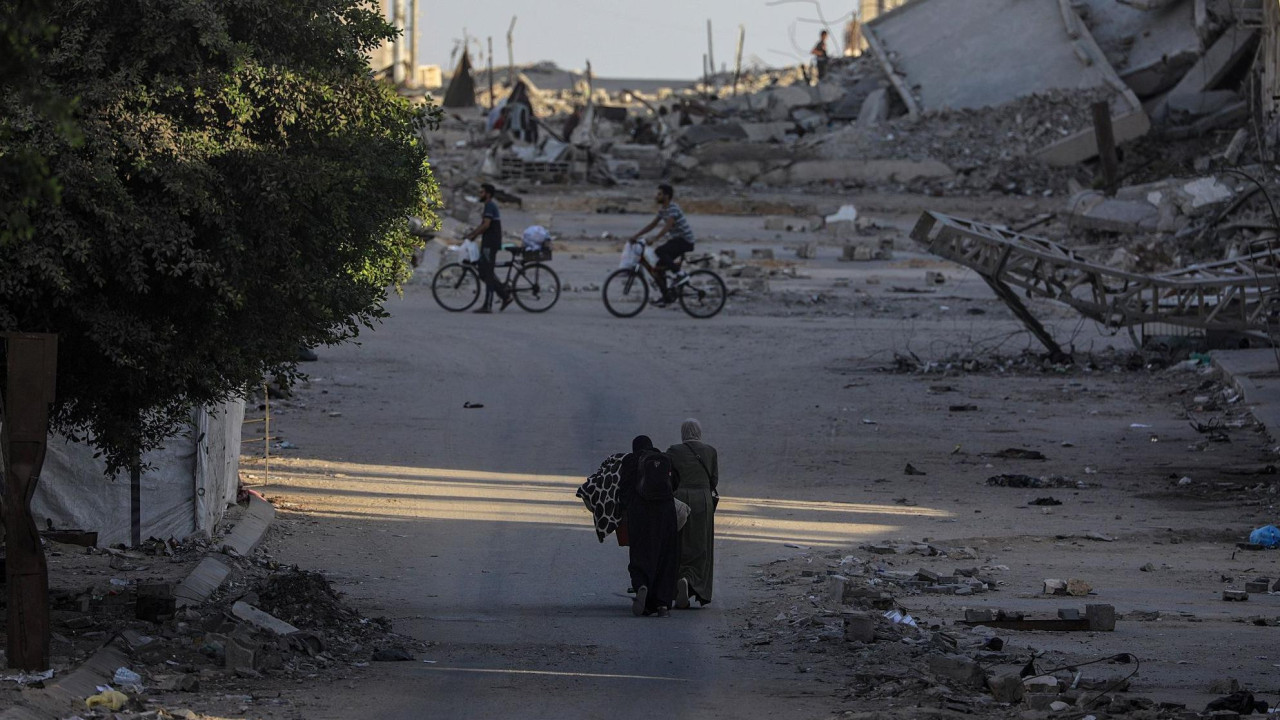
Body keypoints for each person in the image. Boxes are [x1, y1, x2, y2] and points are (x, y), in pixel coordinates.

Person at [618, 435, 680, 617]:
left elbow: (623, 489)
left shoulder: (630, 460)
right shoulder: (666, 459)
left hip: (641, 513)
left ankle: (642, 586)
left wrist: (628, 508)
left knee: (641, 553)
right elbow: (676, 483)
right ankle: (662, 604)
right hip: (666, 513)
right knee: (665, 555)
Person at [666, 419, 718, 609]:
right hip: (703, 501)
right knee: (701, 545)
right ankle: (692, 582)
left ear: (683, 432)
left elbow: (667, 477)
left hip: (680, 501)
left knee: (679, 544)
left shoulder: (673, 451)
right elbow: (714, 480)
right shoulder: (710, 451)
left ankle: (680, 579)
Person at [628, 183, 696, 306]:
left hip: (685, 241)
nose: (656, 196)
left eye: (659, 194)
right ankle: (666, 297)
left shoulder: (673, 208)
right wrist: (636, 236)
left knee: (660, 251)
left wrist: (655, 238)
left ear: (667, 196)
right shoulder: (663, 210)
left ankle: (680, 274)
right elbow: (652, 225)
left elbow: (668, 226)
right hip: (676, 240)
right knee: (658, 268)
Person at [463, 183, 513, 313]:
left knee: (488, 273)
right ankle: (505, 296)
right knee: (483, 272)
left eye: (482, 192)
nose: (479, 194)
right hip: (487, 243)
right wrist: (473, 234)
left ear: (488, 194)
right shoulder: (488, 206)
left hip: (490, 244)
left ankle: (488, 305)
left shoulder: (490, 206)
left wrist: (474, 235)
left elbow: (486, 225)